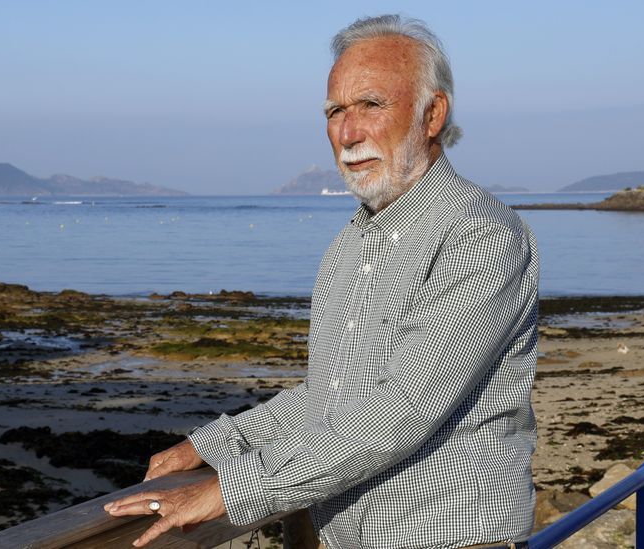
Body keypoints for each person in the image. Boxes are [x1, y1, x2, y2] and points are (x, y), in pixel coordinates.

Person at [106, 14, 538, 549]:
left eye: (372, 105)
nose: (349, 132)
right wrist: (213, 444)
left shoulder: (480, 234)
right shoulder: (348, 246)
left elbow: (399, 411)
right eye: (335, 111)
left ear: (432, 114)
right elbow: (330, 396)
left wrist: (230, 490)